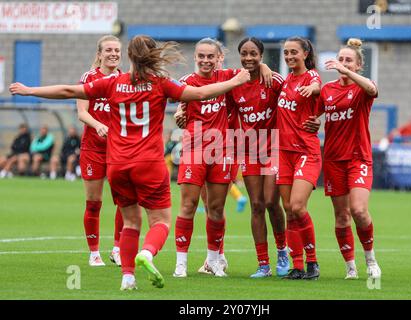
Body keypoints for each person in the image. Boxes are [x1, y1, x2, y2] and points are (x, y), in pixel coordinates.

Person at [9, 34, 250, 290]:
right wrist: (236, 80)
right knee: (161, 221)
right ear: (151, 56)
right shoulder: (160, 83)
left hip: (117, 165)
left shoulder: (113, 82)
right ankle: (147, 253)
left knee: (130, 222)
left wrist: (30, 90)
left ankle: (128, 277)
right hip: (149, 163)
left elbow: (69, 90)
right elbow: (200, 93)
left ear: (129, 57)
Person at [172, 38, 267, 278]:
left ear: (219, 58)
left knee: (216, 207)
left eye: (210, 56)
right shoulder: (187, 82)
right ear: (195, 58)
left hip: (223, 150)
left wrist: (264, 66)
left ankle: (214, 260)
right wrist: (180, 113)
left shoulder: (230, 75)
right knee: (188, 205)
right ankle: (180, 262)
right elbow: (179, 104)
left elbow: (253, 70)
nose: (205, 60)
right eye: (201, 56)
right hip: (194, 148)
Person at [315, 38, 381, 280]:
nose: (343, 64)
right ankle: (350, 267)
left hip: (358, 158)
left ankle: (371, 259)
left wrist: (346, 73)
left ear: (358, 65)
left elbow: (373, 89)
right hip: (333, 160)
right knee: (341, 216)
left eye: (348, 60)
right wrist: (313, 121)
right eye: (340, 59)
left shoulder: (362, 89)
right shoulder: (327, 90)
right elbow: (314, 113)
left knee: (359, 210)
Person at [225, 37, 290, 278]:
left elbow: (296, 93)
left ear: (261, 56)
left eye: (253, 54)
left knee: (272, 202)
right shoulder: (234, 83)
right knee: (256, 205)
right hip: (250, 150)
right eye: (244, 53)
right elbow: (230, 116)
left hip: (275, 147)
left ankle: (282, 251)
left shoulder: (273, 80)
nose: (249, 58)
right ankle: (263, 263)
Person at [76, 35, 124, 267]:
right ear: (100, 54)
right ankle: (94, 253)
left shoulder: (124, 79)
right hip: (93, 148)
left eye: (117, 50)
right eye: (109, 50)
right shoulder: (89, 78)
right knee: (94, 202)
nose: (113, 53)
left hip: (119, 150)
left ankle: (117, 249)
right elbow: (81, 112)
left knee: (124, 201)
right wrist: (98, 125)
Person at [276, 37, 321, 280]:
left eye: (294, 52)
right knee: (288, 210)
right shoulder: (285, 81)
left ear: (305, 54)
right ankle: (297, 265)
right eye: (286, 52)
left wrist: (312, 90)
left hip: (306, 151)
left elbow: (318, 87)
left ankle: (313, 262)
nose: (290, 56)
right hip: (283, 153)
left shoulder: (310, 76)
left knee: (297, 206)